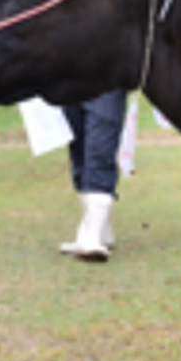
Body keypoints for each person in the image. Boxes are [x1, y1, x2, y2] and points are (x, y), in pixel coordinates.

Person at [58, 90, 127, 262]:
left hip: (105, 83)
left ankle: (92, 237)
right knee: (79, 151)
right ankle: (101, 231)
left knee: (100, 151)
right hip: (72, 84)